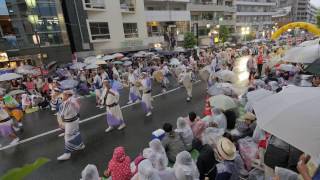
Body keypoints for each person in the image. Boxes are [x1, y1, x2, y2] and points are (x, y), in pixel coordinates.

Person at [57, 90, 85, 161]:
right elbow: (78, 110)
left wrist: (61, 123)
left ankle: (67, 154)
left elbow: (61, 114)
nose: (62, 96)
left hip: (70, 122)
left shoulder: (66, 103)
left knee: (68, 137)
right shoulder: (74, 100)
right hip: (75, 120)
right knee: (76, 133)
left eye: (63, 95)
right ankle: (80, 145)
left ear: (67, 95)